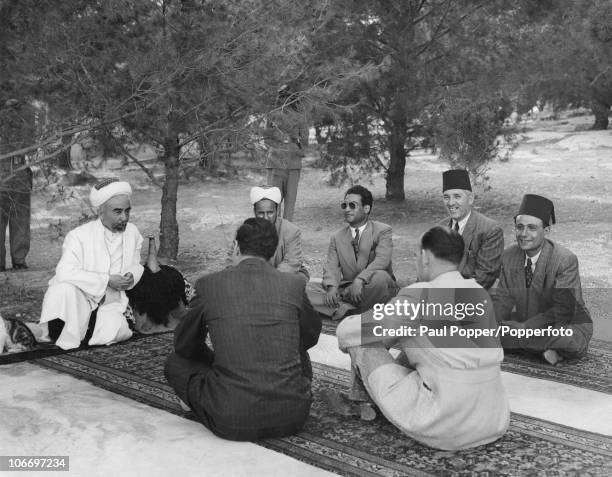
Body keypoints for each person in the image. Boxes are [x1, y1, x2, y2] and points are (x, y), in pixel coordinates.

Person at [334, 226, 510, 450]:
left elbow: (347, 332)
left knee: (362, 341)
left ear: (425, 257)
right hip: (493, 419)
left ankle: (362, 400)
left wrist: (380, 336)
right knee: (421, 339)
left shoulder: (418, 296)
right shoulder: (478, 292)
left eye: (417, 255)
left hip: (446, 425)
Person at [165, 217, 321, 441]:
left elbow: (185, 345)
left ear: (237, 247)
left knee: (175, 362)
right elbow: (310, 335)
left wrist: (215, 360)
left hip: (232, 420)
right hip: (292, 418)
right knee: (300, 353)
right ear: (272, 250)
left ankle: (199, 400)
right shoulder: (293, 284)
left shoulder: (210, 285)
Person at [38, 179, 145, 350]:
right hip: (80, 296)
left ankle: (90, 328)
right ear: (100, 212)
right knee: (62, 289)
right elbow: (64, 271)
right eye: (117, 212)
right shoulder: (79, 236)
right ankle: (74, 328)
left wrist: (131, 275)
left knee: (118, 332)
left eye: (127, 211)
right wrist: (106, 280)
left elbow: (136, 263)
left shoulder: (132, 232)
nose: (124, 217)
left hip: (112, 299)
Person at [492, 194, 592, 365]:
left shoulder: (564, 260)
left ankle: (535, 347)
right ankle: (545, 352)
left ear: (546, 231)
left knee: (569, 339)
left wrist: (525, 329)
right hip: (525, 324)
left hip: (562, 324)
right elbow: (503, 300)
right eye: (519, 227)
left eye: (532, 228)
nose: (523, 234)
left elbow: (563, 310)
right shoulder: (509, 255)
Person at [307, 185, 398, 320]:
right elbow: (332, 266)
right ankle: (352, 310)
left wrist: (360, 280)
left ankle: (346, 310)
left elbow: (382, 261)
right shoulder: (337, 237)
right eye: (345, 205)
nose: (347, 209)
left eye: (352, 205)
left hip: (371, 288)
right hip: (347, 290)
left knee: (381, 278)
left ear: (366, 209)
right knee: (305, 288)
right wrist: (332, 287)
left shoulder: (382, 230)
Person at [437, 169, 503, 289]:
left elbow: (484, 278)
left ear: (471, 199)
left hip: (470, 300)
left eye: (457, 196)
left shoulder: (490, 230)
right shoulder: (438, 229)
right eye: (446, 197)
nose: (451, 203)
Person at [240, 185, 308, 281]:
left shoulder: (292, 231)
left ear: (277, 211)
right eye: (261, 213)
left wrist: (269, 280)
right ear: (254, 212)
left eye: (270, 212)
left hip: (283, 278)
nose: (266, 218)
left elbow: (291, 263)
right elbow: (233, 261)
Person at [263, 85, 307, 222]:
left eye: (286, 96)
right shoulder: (272, 115)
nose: (283, 99)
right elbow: (266, 138)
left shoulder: (300, 117)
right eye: (281, 96)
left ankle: (286, 233)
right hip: (275, 162)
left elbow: (305, 141)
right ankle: (273, 232)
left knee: (290, 202)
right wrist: (279, 147)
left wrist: (296, 147)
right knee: (274, 201)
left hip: (293, 163)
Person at [0, 157, 31, 271]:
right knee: (20, 219)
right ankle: (18, 261)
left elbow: (32, 148)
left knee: (21, 219)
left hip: (20, 176)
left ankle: (19, 260)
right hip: (17, 174)